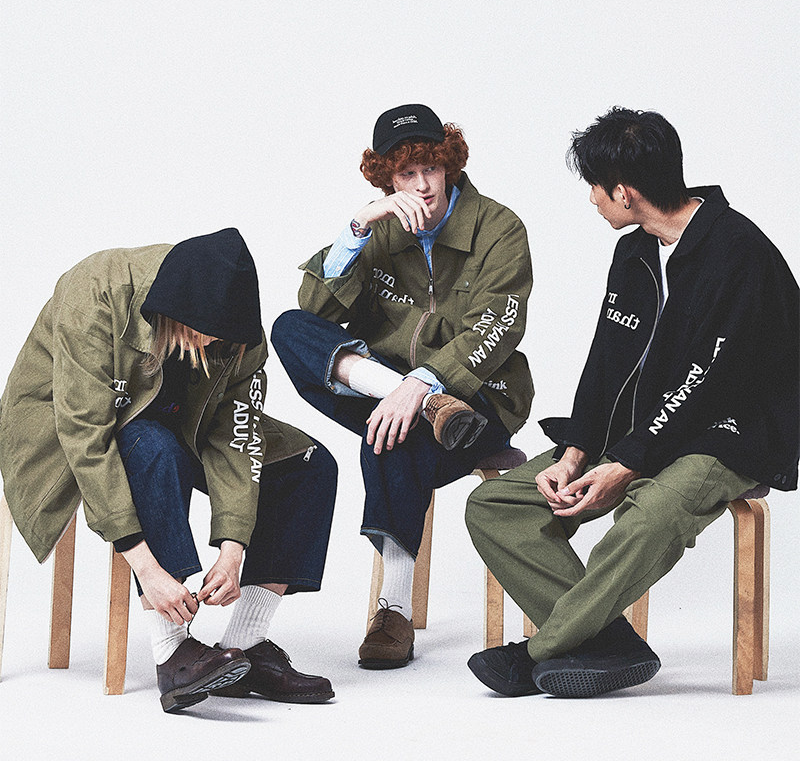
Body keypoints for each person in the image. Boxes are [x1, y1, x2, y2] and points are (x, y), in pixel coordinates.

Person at [465, 106, 799, 699]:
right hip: (644, 431)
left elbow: (709, 381)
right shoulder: (636, 252)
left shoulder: (738, 251)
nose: (592, 199)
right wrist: (577, 451)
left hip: (729, 433)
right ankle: (608, 643)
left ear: (625, 191)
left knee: (650, 515)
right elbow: (607, 361)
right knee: (496, 505)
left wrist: (627, 463)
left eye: (596, 186)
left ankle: (540, 650)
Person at [0, 228, 338, 712]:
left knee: (308, 465)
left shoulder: (238, 332)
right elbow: (85, 434)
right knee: (154, 446)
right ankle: (172, 653)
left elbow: (236, 432)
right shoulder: (95, 291)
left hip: (182, 419)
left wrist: (233, 547)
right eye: (205, 331)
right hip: (67, 425)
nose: (213, 341)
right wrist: (148, 569)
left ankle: (245, 646)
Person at [271, 104, 534, 668]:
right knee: (290, 330)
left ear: (449, 165)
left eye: (430, 169)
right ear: (387, 180)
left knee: (389, 433)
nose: (421, 186)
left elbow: (499, 326)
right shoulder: (380, 230)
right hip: (394, 395)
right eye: (405, 174)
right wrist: (357, 229)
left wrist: (424, 382)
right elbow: (315, 311)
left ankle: (393, 608)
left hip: (479, 399)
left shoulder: (499, 227)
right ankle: (420, 404)